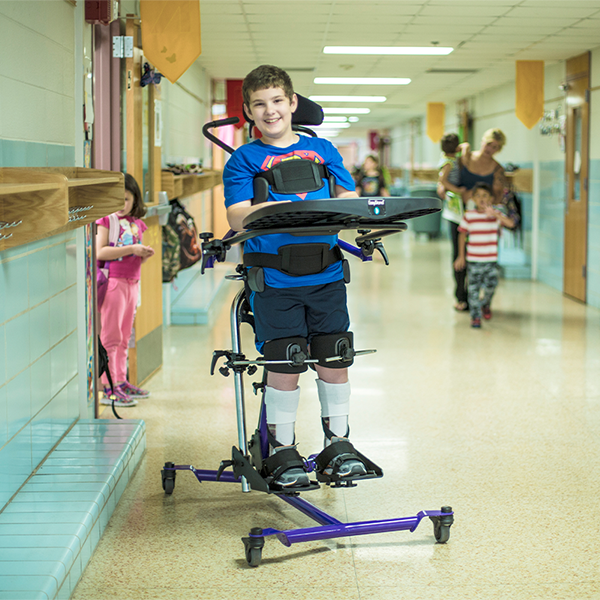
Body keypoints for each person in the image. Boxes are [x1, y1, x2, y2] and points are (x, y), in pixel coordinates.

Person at [223, 65, 368, 489]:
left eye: (277, 101)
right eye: (259, 105)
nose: (270, 111)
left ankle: (338, 446)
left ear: (292, 103)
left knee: (334, 357)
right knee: (285, 362)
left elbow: (347, 197)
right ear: (250, 112)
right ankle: (283, 451)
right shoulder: (244, 159)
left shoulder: (323, 151)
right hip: (275, 282)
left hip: (324, 274)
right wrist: (282, 215)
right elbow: (236, 214)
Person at [96, 174, 155, 406]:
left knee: (124, 336)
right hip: (114, 283)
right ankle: (108, 385)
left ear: (134, 200)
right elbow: (99, 252)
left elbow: (134, 257)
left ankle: (120, 381)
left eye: (126, 199)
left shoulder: (136, 223)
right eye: (117, 199)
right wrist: (131, 248)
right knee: (111, 336)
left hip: (132, 282)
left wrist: (142, 254)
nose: (122, 204)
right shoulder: (107, 221)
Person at [453, 182, 515, 328]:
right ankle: (475, 317)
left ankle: (485, 303)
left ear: (491, 199)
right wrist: (461, 256)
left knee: (491, 286)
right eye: (478, 196)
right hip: (473, 260)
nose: (482, 199)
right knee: (473, 290)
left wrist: (496, 214)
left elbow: (511, 224)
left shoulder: (495, 216)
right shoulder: (469, 216)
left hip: (490, 260)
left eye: (485, 196)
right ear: (473, 199)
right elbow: (462, 234)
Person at [437, 133, 468, 311]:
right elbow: (442, 180)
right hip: (456, 206)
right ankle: (461, 295)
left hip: (456, 206)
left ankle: (463, 295)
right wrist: (457, 190)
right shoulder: (449, 162)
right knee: (458, 249)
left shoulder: (450, 158)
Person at [457, 128, 507, 206]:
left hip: (482, 213)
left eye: (494, 147)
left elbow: (497, 196)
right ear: (482, 141)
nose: (489, 149)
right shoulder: (465, 158)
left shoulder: (498, 169)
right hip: (458, 207)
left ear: (498, 150)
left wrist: (480, 198)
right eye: (488, 144)